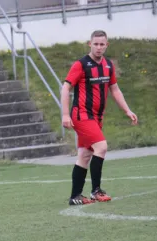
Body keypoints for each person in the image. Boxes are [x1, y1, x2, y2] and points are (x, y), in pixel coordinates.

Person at [61, 30, 138, 205]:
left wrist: (127, 110)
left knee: (85, 154)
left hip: (97, 117)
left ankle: (75, 196)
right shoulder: (81, 65)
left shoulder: (108, 65)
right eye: (95, 44)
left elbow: (115, 89)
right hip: (81, 115)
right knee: (101, 147)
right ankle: (96, 191)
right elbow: (65, 88)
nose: (98, 47)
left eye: (102, 44)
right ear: (90, 44)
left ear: (106, 45)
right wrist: (65, 114)